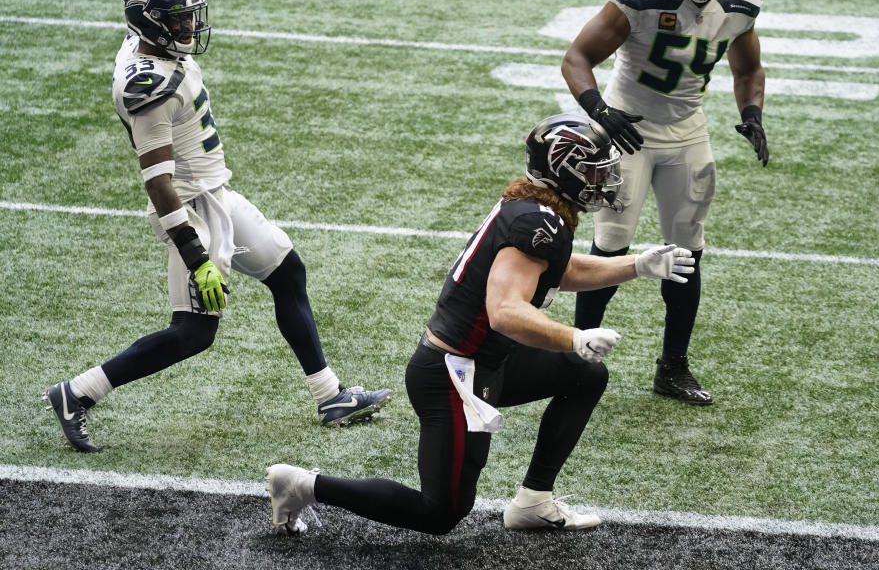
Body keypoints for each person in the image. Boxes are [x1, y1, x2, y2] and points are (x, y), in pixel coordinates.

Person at [265, 114, 695, 535]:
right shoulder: (537, 222)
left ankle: (534, 501)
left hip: (486, 361)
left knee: (585, 374)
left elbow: (556, 272)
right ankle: (303, 485)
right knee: (440, 513)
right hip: (452, 374)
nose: (605, 180)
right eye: (593, 171)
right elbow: (505, 312)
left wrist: (636, 266)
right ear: (564, 171)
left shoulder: (538, 210)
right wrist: (574, 336)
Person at [43, 0, 392, 453]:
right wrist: (195, 255)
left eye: (189, 17)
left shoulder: (146, 45)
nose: (188, 28)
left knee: (288, 273)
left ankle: (330, 396)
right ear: (151, 23)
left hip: (216, 195)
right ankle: (78, 392)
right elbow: (158, 181)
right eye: (177, 20)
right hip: (192, 210)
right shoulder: (149, 89)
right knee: (194, 332)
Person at [561, 0, 768, 406]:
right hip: (625, 127)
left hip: (687, 130)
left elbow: (748, 68)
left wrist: (751, 114)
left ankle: (672, 367)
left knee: (687, 250)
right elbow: (578, 57)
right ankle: (577, 355)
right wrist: (601, 111)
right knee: (611, 244)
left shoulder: (742, 1)